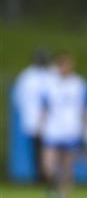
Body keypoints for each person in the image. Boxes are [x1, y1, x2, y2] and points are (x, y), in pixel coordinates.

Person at [41, 52, 87, 198]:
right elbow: (45, 107)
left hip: (70, 130)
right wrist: (41, 126)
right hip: (52, 130)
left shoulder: (78, 84)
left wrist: (84, 129)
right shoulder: (50, 84)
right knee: (48, 166)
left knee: (67, 166)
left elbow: (83, 109)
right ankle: (54, 191)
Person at [12, 48, 52, 182]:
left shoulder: (51, 74)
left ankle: (49, 176)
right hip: (33, 119)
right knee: (37, 149)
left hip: (52, 121)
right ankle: (41, 176)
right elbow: (18, 97)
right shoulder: (27, 76)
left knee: (51, 149)